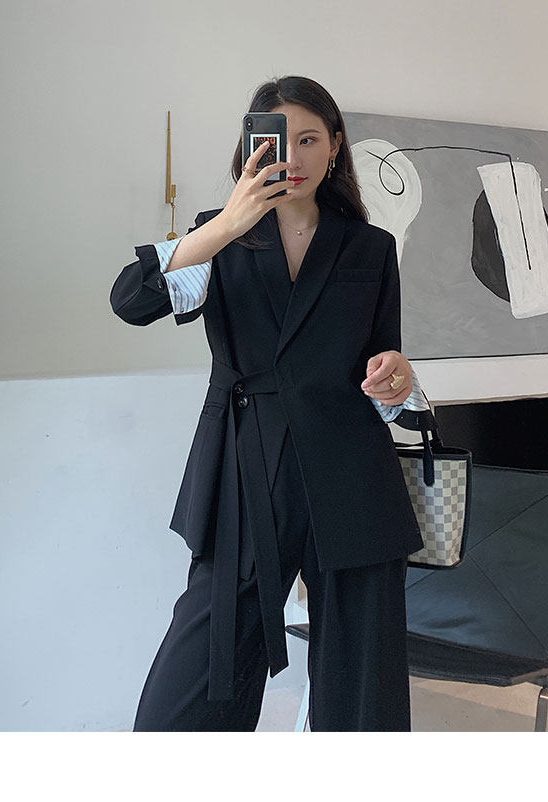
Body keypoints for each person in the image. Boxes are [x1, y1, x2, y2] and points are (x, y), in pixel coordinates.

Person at [110, 76, 428, 732]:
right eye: (281, 140)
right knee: (193, 684)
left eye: (311, 139)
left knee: (363, 690)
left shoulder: (370, 247)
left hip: (352, 472)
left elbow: (387, 362)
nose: (296, 156)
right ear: (252, 147)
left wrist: (397, 378)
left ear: (335, 146)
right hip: (244, 466)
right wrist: (227, 223)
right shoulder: (220, 236)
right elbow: (130, 300)